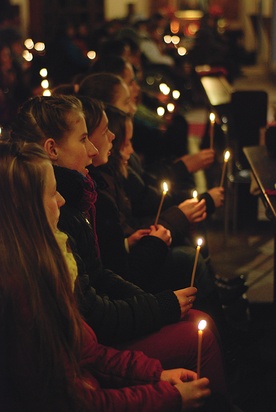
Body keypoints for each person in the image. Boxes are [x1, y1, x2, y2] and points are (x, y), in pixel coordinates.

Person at [10, 94, 232, 402]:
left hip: (103, 340)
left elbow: (98, 282)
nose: (103, 144)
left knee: (194, 313)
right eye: (87, 137)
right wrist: (170, 395)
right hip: (108, 336)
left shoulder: (78, 199)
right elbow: (94, 326)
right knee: (195, 315)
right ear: (53, 149)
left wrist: (155, 303)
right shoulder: (45, 249)